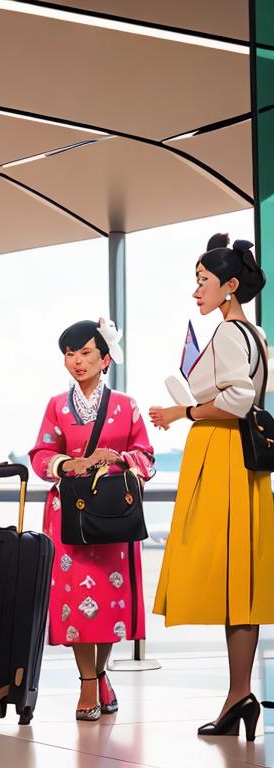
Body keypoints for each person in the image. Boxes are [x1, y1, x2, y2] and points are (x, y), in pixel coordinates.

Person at [150, 234, 271, 741]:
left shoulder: (225, 334)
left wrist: (183, 411)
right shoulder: (256, 333)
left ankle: (238, 693)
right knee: (241, 580)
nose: (195, 291)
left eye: (203, 282)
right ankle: (238, 693)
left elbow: (238, 399)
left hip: (222, 456)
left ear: (230, 286)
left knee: (224, 574)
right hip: (245, 463)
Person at [27, 319, 155, 721]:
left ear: (106, 358)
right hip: (69, 516)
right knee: (77, 606)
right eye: (69, 353)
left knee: (109, 602)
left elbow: (146, 455)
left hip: (113, 513)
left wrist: (119, 459)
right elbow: (40, 455)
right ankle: (88, 683)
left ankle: (100, 675)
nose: (77, 361)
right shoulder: (56, 406)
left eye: (85, 352)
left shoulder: (126, 405)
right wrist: (70, 463)